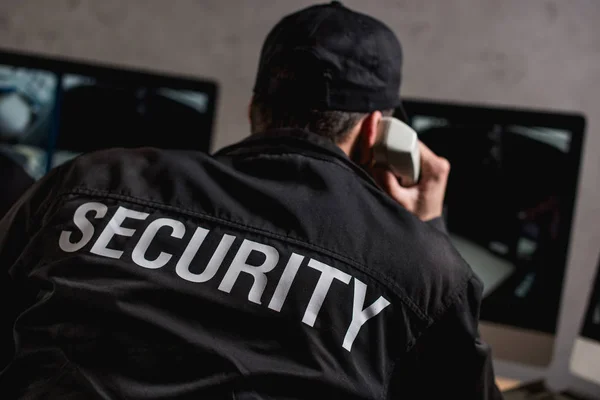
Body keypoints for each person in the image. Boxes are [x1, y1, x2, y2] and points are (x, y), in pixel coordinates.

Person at [0, 2, 502, 399]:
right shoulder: (423, 270)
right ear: (378, 131)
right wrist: (425, 227)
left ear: (254, 108)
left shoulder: (87, 181)